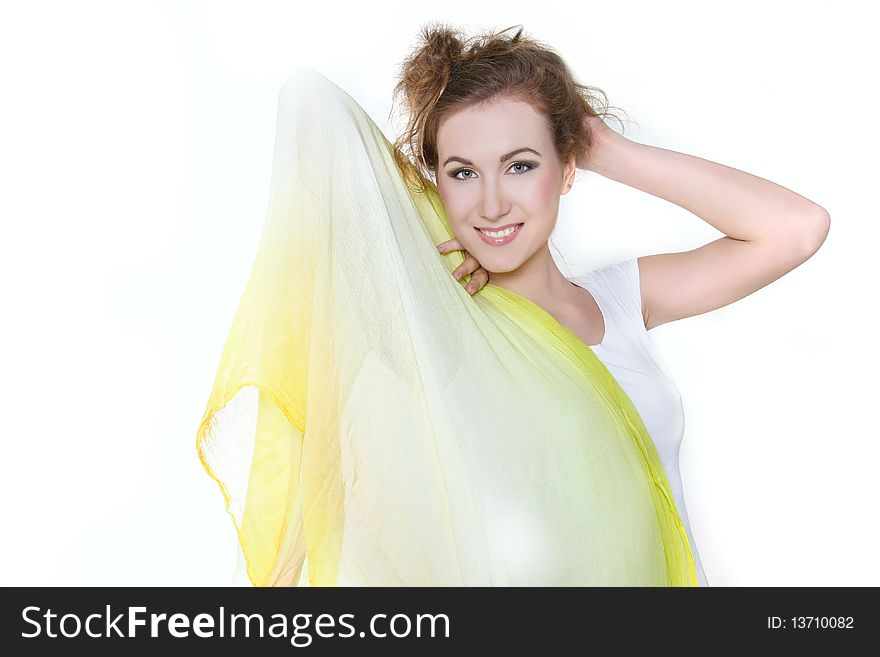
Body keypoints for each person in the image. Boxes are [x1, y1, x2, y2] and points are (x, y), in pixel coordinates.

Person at [198, 23, 829, 588]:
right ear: (434, 180)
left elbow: (795, 228)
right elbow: (311, 102)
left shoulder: (619, 301)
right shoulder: (428, 335)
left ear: (567, 167)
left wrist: (603, 145)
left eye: (521, 165)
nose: (492, 204)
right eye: (463, 172)